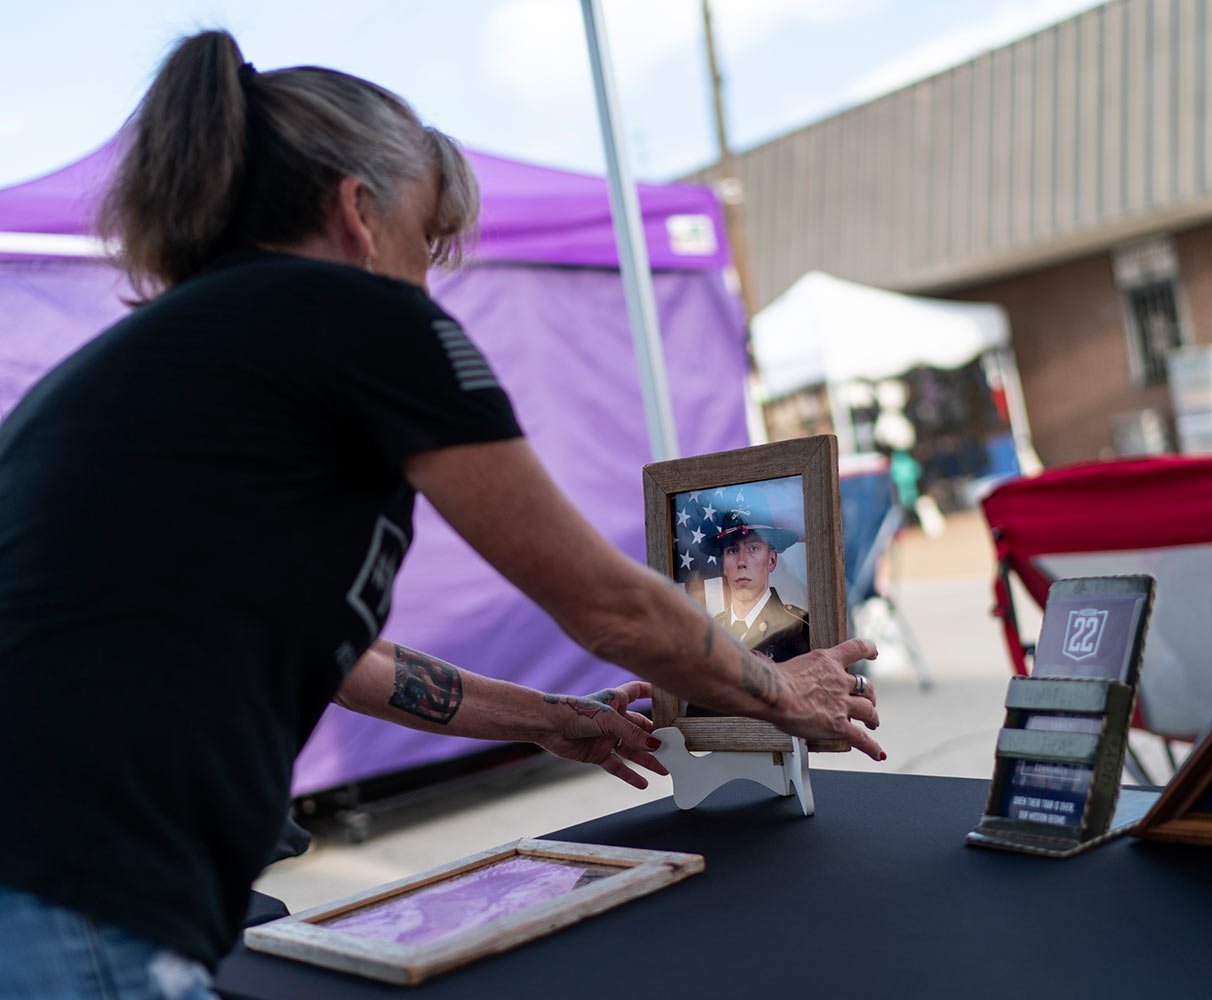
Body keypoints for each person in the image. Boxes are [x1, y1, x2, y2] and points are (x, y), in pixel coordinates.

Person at [0, 31, 881, 999]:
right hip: (73, 893)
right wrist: (778, 691)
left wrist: (552, 717)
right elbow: (602, 601)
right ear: (357, 213)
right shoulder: (356, 313)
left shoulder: (143, 362)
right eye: (426, 242)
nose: (428, 279)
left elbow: (352, 661)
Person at [707, 504, 810, 662]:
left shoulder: (800, 629)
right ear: (724, 565)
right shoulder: (709, 633)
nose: (741, 562)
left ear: (772, 560)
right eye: (732, 551)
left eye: (753, 548)